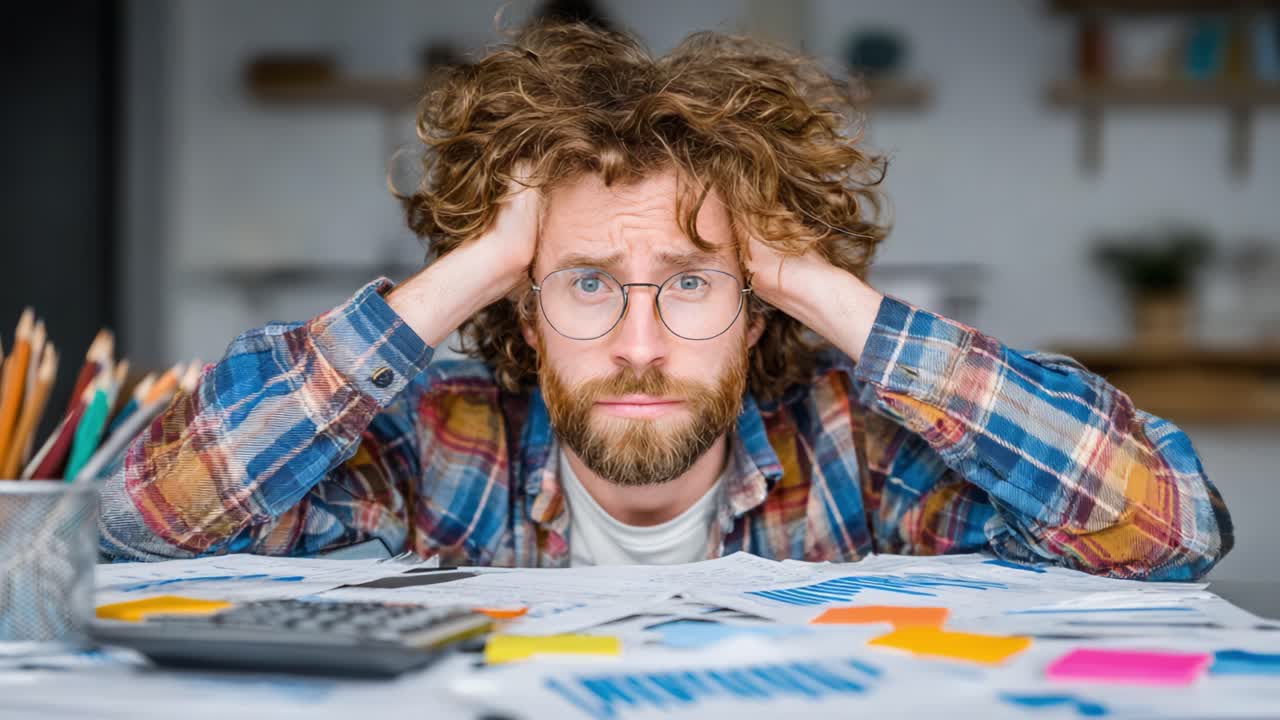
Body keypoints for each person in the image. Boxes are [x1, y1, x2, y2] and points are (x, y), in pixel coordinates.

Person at [99, 23, 1232, 580]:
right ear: (524, 307)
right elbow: (133, 525)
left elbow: (1171, 531)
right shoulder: (430, 452)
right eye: (587, 283)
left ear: (753, 308)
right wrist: (474, 264)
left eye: (690, 284)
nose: (639, 344)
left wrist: (800, 273)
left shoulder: (856, 454)